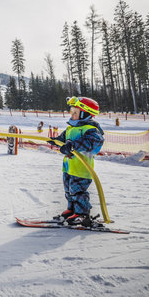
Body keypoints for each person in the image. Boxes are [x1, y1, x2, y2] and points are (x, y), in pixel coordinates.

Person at [49, 97, 104, 227]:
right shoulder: (70, 128)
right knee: (68, 190)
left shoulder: (90, 129)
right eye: (71, 111)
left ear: (85, 113)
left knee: (77, 191)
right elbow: (63, 139)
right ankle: (72, 210)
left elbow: (93, 142)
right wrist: (56, 141)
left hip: (81, 169)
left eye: (75, 112)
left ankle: (82, 214)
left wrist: (73, 145)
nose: (72, 115)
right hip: (68, 167)